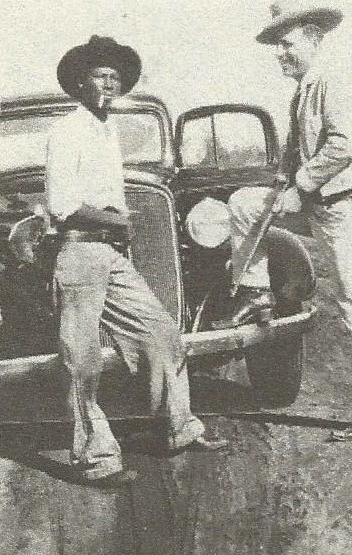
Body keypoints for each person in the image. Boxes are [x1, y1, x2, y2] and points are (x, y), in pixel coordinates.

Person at [46, 35, 227, 485]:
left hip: (110, 254)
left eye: (114, 77)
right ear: (79, 83)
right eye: (98, 76)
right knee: (82, 362)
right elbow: (63, 205)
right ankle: (96, 459)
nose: (108, 83)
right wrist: (118, 221)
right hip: (81, 251)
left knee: (161, 332)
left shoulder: (107, 130)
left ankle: (178, 428)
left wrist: (119, 228)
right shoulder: (67, 130)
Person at [228, 0, 352, 440]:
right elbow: (294, 148)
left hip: (347, 208)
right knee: (246, 204)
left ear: (313, 38)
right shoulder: (304, 89)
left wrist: (299, 186)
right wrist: (283, 180)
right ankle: (257, 291)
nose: (280, 53)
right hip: (320, 203)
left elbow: (344, 145)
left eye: (286, 44)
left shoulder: (333, 81)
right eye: (276, 46)